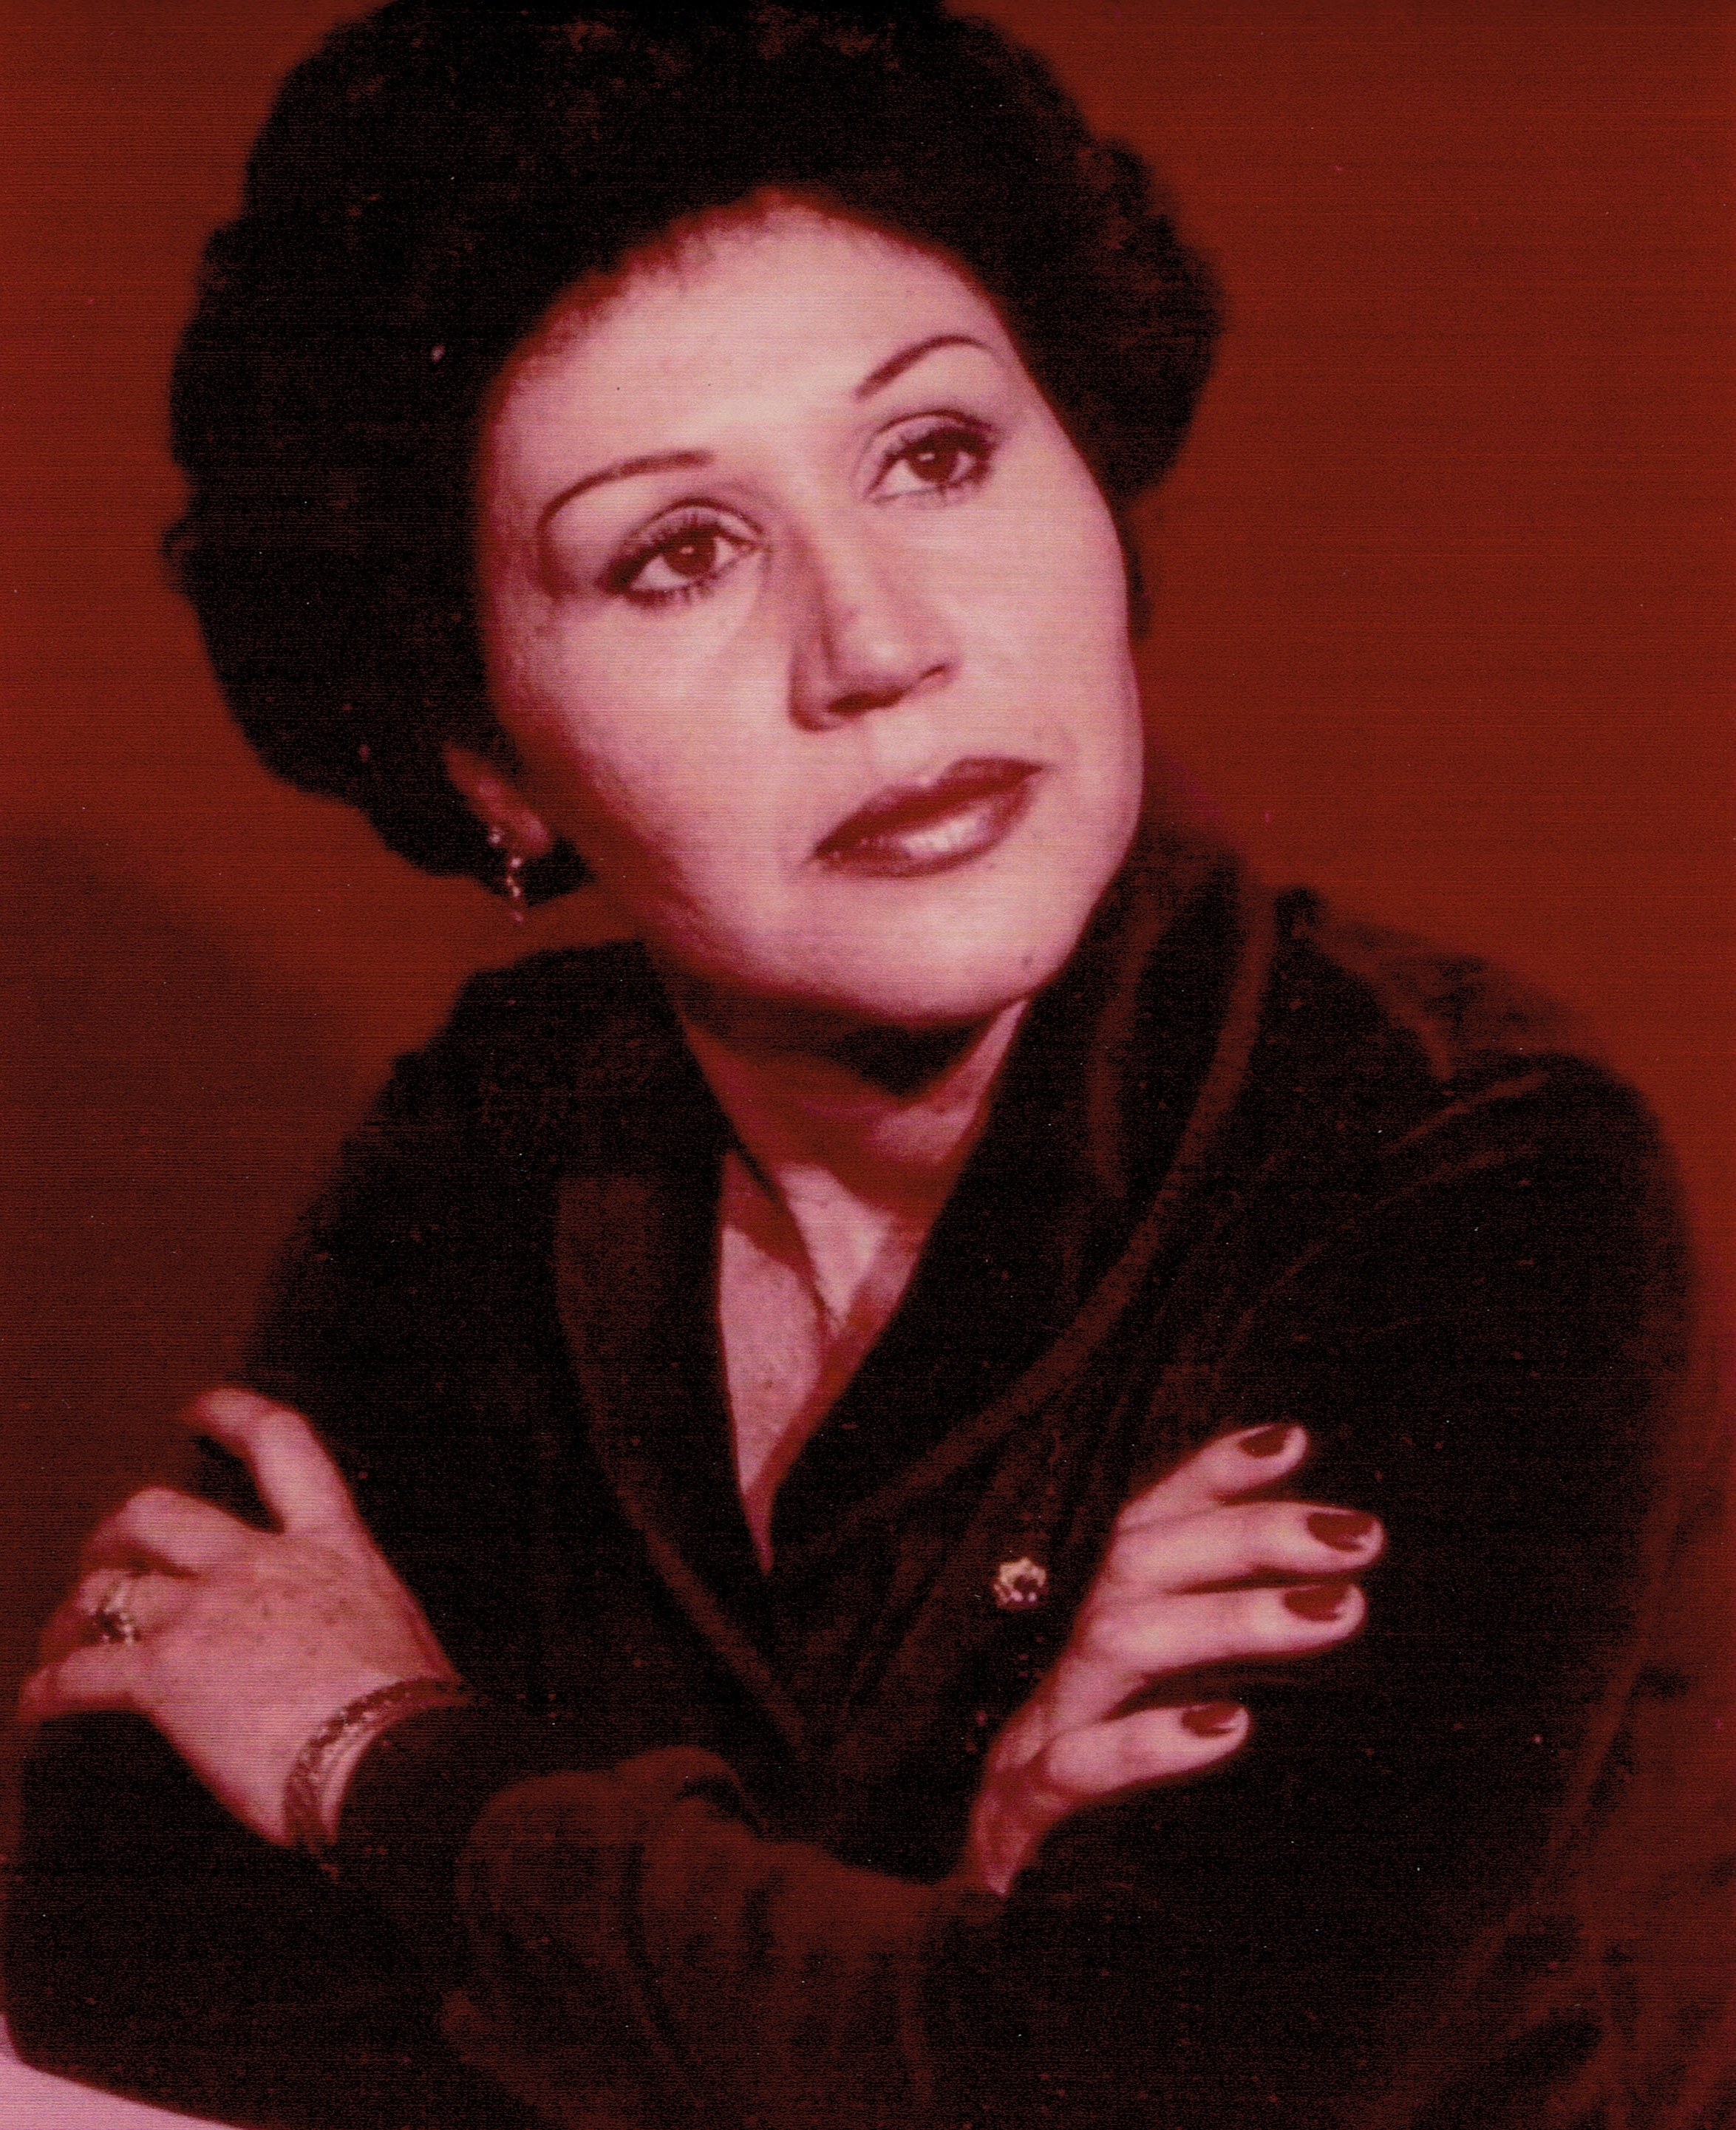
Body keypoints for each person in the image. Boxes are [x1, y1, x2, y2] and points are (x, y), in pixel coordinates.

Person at [5, 3, 1729, 2126]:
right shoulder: (499, 1138)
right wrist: (938, 1948)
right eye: (677, 553)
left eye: (936, 454)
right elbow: (130, 1977)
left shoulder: (1469, 1166)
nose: (882, 643)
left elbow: (1137, 2088)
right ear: (488, 760)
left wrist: (382, 1760)